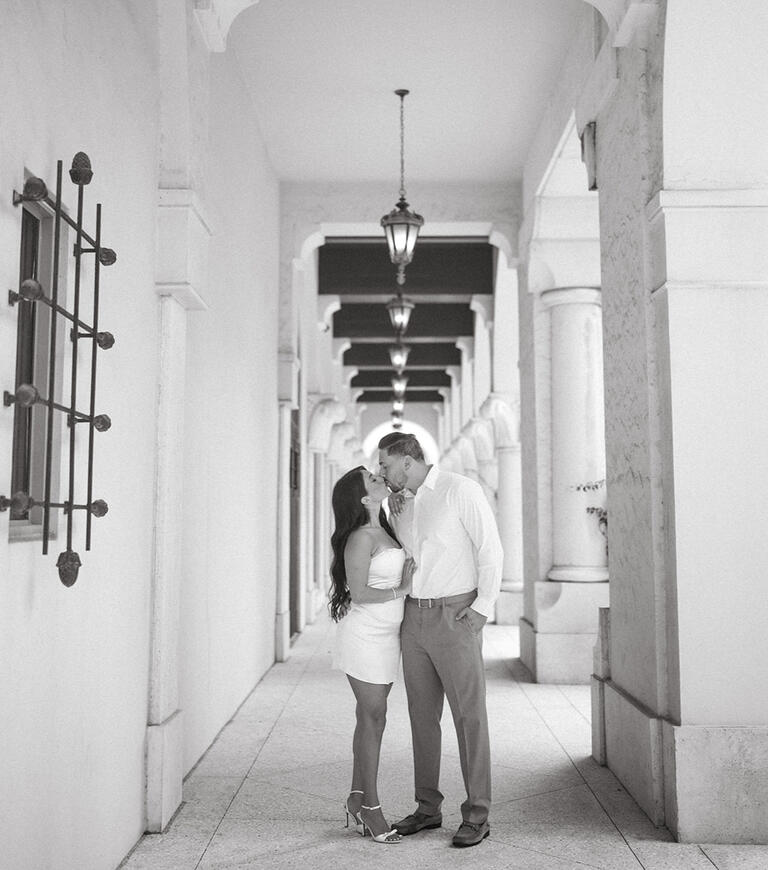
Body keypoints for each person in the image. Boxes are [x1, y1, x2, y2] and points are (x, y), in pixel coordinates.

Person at [377, 432, 503, 849]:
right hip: (415, 617)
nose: (382, 472)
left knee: (469, 717)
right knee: (421, 717)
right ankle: (427, 808)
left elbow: (490, 549)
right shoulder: (400, 506)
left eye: (386, 465)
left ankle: (478, 814)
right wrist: (392, 513)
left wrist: (483, 606)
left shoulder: (459, 489)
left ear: (408, 462)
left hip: (455, 614)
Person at [329, 465, 415, 845]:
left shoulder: (385, 527)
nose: (380, 477)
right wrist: (404, 588)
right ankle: (372, 807)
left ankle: (355, 797)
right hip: (364, 635)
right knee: (374, 716)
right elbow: (360, 594)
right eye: (372, 479)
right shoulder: (360, 538)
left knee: (370, 718)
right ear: (363, 498)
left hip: (387, 636)